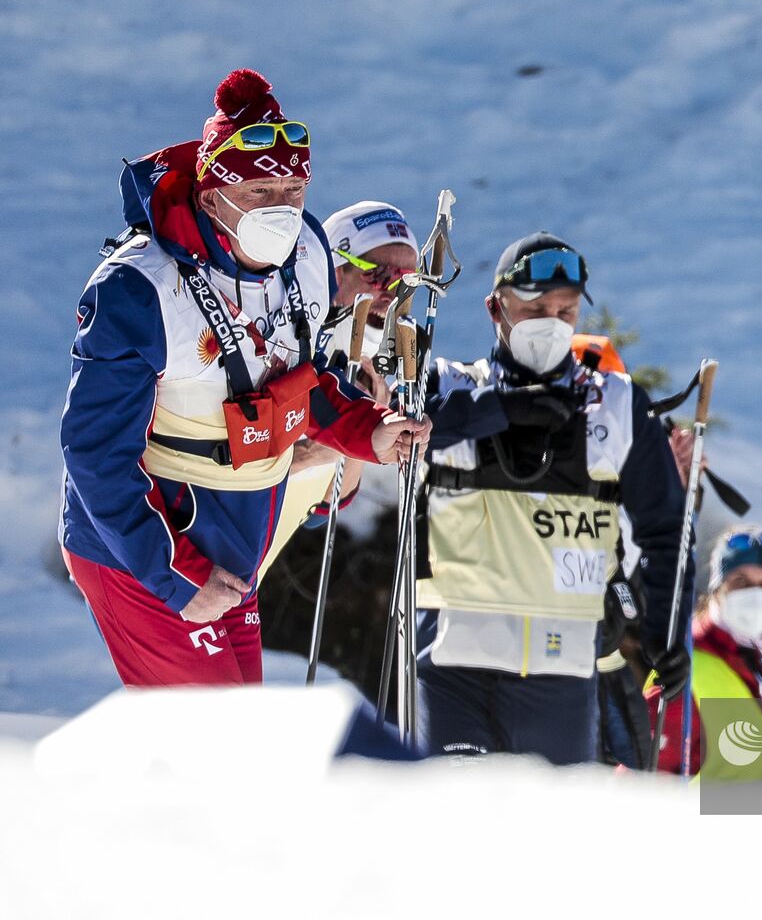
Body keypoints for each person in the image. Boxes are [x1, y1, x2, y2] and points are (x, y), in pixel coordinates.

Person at [59, 69, 430, 688]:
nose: (281, 209)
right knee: (211, 758)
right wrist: (173, 571)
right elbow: (94, 456)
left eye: (293, 190)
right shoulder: (139, 288)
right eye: (260, 192)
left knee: (235, 750)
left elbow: (301, 383)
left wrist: (373, 429)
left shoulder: (306, 257)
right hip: (147, 548)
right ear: (211, 196)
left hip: (236, 543)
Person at [412, 233, 693, 765]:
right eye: (535, 308)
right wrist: (501, 408)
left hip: (560, 676)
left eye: (565, 310)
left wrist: (665, 627)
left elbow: (667, 527)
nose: (552, 321)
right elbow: (390, 436)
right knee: (450, 833)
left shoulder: (614, 404)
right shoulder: (447, 384)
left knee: (553, 844)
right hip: (452, 669)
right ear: (497, 307)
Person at [257, 200, 416, 582]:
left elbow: (326, 505)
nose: (391, 294)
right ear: (333, 269)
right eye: (378, 275)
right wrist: (314, 453)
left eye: (406, 282)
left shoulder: (376, 363)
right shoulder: (281, 337)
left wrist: (360, 435)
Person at [646, 526, 762, 780]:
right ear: (717, 590)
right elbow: (639, 787)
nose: (755, 594)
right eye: (741, 582)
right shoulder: (684, 669)